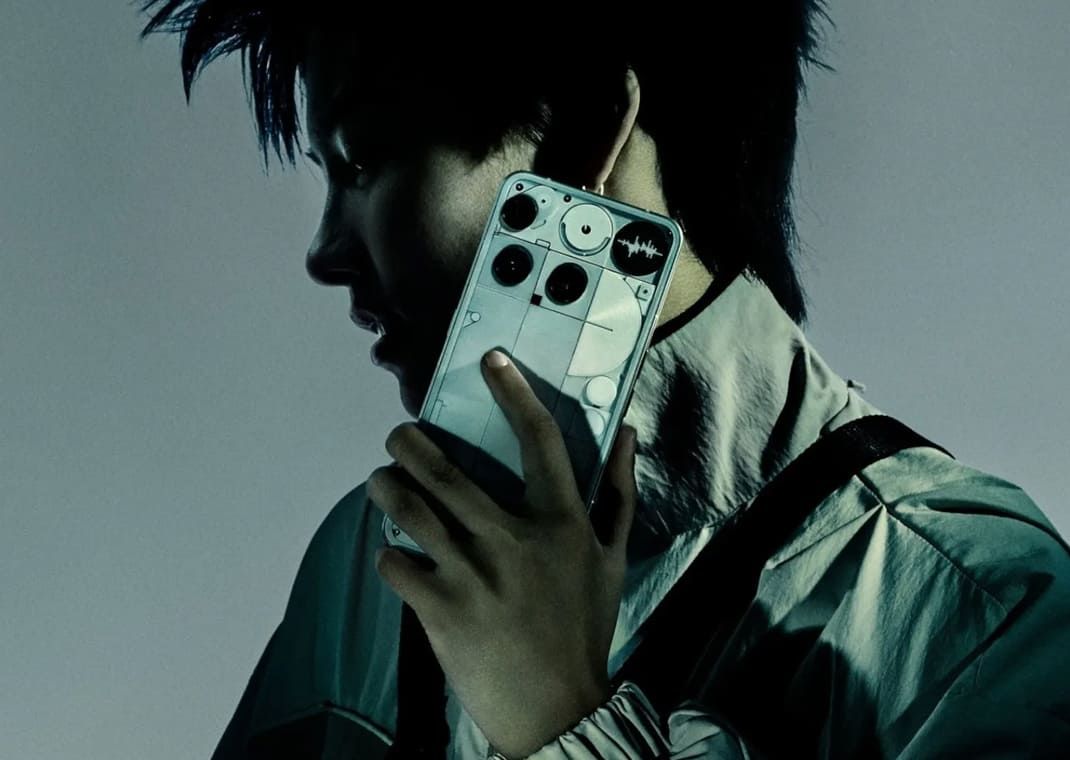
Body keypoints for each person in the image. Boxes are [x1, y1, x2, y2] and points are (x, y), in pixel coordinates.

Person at [138, 3, 1070, 758]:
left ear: (584, 129)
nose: (323, 252)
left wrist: (565, 724)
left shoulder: (978, 613)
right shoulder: (369, 566)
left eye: (365, 159)